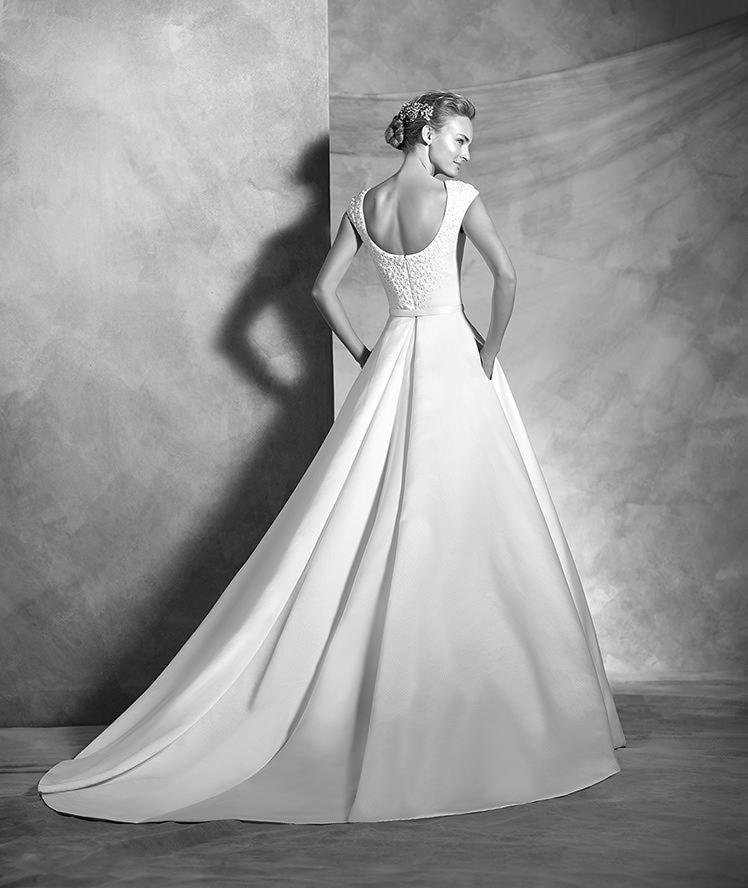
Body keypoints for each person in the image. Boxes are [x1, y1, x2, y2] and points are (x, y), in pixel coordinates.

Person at [38, 91, 625, 825]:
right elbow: (506, 278)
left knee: (370, 512)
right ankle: (474, 701)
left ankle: (385, 691)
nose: (468, 153)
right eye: (461, 139)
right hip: (452, 356)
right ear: (427, 133)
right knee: (471, 518)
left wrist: (362, 352)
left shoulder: (364, 205)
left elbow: (322, 290)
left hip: (394, 356)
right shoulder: (459, 198)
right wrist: (490, 353)